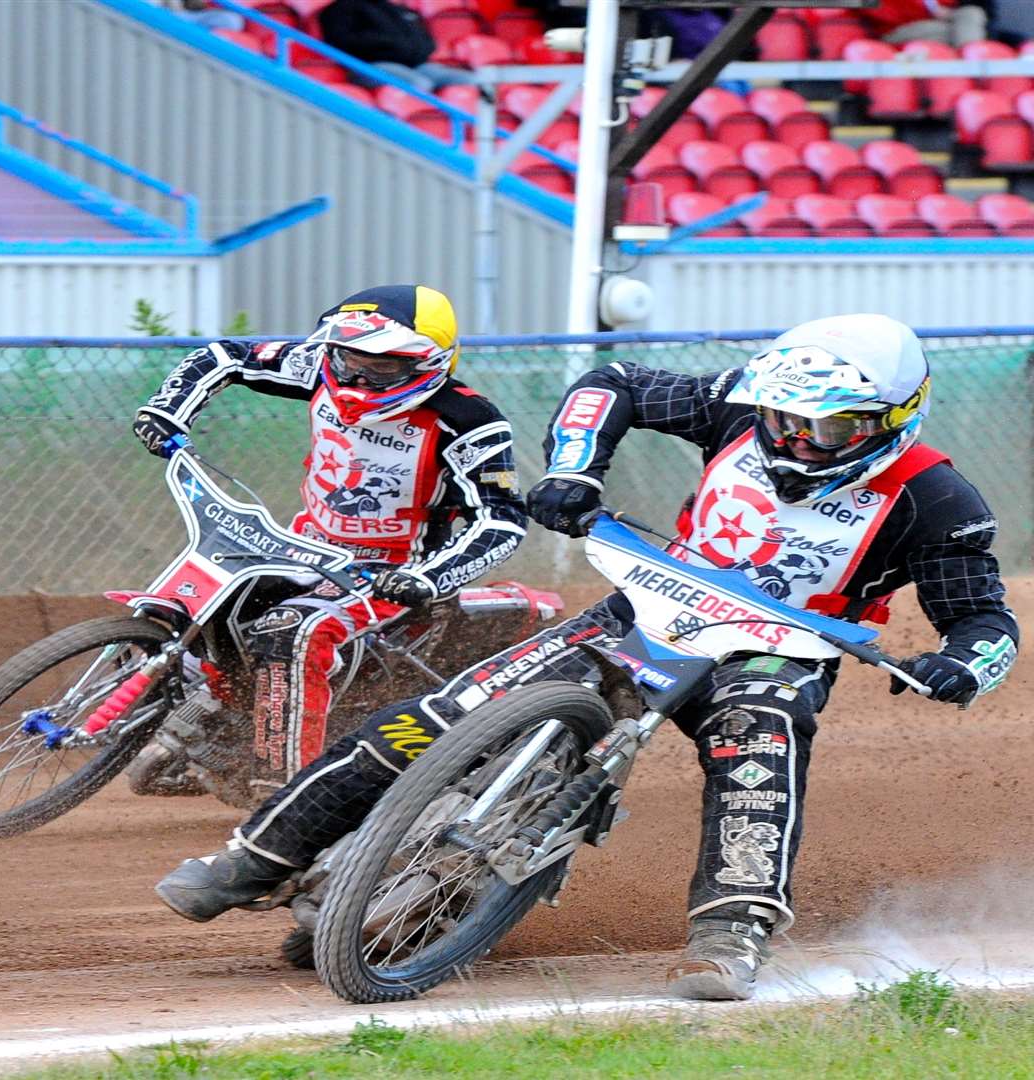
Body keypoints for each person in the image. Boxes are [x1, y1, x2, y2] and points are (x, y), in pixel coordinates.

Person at [154, 314, 1019, 1002]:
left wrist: (958, 666)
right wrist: (576, 472)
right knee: (449, 709)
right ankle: (254, 859)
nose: (792, 441)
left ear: (890, 421)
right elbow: (613, 383)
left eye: (824, 430)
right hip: (650, 599)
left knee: (760, 746)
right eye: (780, 418)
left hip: (776, 645)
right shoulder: (731, 406)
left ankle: (729, 936)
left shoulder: (938, 500)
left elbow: (985, 621)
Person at [131, 284, 528, 794]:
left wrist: (425, 580)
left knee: (293, 631)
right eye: (348, 357)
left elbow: (503, 521)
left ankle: (285, 795)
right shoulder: (319, 365)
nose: (358, 375)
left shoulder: (470, 421)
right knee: (183, 603)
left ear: (429, 362)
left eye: (381, 366)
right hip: (303, 544)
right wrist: (169, 410)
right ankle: (217, 726)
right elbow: (224, 355)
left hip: (392, 570)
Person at [316, 0, 471, 92]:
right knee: (419, 84)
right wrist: (389, 46)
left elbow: (425, 40)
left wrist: (414, 50)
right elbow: (343, 42)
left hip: (414, 64)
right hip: (368, 66)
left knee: (469, 80)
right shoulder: (340, 9)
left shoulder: (395, 9)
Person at [867, 0, 988, 46]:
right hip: (896, 30)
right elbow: (882, 12)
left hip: (936, 22)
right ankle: (975, 69)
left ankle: (973, 61)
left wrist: (938, 9)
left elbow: (947, 3)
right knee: (958, 32)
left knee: (973, 13)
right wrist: (928, 8)